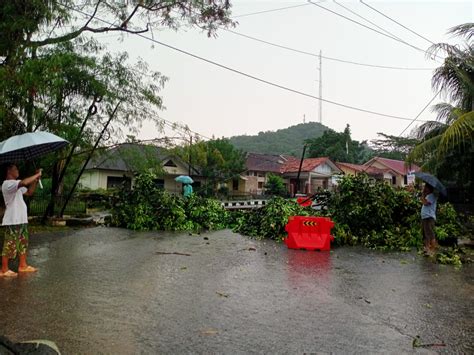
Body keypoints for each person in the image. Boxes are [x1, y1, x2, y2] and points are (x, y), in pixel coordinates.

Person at [1, 164, 42, 277]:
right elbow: (23, 182)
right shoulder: (7, 184)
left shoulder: (16, 185)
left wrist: (35, 180)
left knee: (23, 243)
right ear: (9, 171)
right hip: (12, 220)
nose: (18, 171)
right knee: (9, 244)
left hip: (21, 219)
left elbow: (29, 192)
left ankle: (22, 265)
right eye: (15, 169)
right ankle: (4, 269)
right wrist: (36, 174)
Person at [420, 183, 437, 255]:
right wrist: (423, 194)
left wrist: (423, 194)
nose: (424, 189)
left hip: (429, 217)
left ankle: (432, 250)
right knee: (425, 234)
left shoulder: (432, 196)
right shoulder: (428, 195)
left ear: (429, 188)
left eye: (426, 187)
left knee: (430, 234)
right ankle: (427, 248)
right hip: (425, 217)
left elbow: (425, 203)